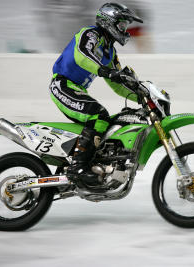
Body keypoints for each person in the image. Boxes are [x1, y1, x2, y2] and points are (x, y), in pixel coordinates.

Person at [49, 2, 143, 186]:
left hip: (75, 89)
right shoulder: (91, 34)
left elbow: (118, 85)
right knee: (98, 114)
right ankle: (78, 168)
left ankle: (95, 163)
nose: (125, 30)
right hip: (62, 85)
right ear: (109, 21)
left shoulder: (110, 52)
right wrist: (104, 71)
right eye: (122, 24)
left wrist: (142, 97)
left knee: (114, 120)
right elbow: (81, 54)